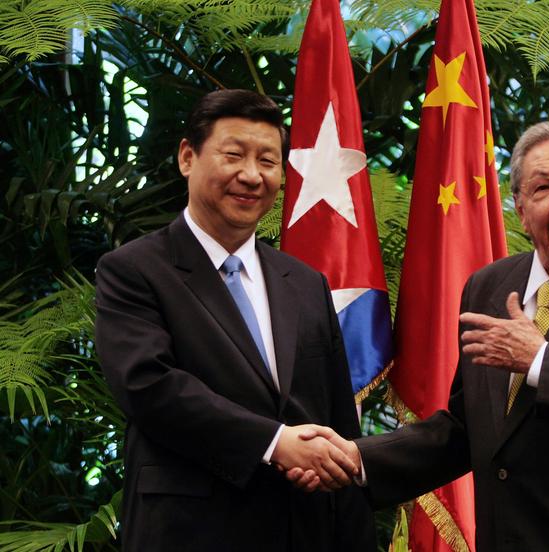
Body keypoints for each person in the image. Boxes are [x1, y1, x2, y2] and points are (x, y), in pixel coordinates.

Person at [294, 121, 549, 551]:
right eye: (543, 188)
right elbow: (467, 428)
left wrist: (541, 361)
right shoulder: (488, 287)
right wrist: (358, 459)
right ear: (521, 209)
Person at [94, 89, 375, 551]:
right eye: (233, 155)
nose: (251, 175)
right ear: (188, 157)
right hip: (189, 533)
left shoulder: (305, 283)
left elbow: (338, 420)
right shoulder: (134, 270)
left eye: (267, 161)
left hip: (303, 532)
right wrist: (275, 443)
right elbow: (148, 386)